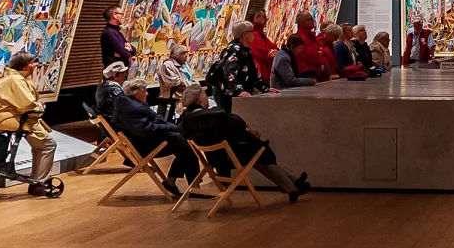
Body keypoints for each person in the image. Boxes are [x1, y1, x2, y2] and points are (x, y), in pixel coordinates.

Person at [175, 85, 311, 202]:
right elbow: (237, 123)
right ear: (199, 98)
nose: (206, 96)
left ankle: (294, 181)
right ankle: (292, 186)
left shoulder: (186, 120)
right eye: (204, 94)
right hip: (227, 157)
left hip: (215, 157)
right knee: (260, 154)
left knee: (259, 154)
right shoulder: (212, 116)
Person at [112, 79, 201, 196]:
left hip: (145, 141)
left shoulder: (129, 105)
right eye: (144, 91)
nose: (147, 93)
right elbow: (145, 129)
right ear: (135, 92)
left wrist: (170, 127)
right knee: (183, 145)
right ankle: (193, 187)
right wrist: (171, 127)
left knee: (183, 146)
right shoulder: (132, 109)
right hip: (144, 146)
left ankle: (175, 182)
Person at [0, 52, 57, 195]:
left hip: (9, 117)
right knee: (48, 144)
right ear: (25, 66)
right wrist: (40, 107)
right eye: (32, 62)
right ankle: (40, 182)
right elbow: (28, 105)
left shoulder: (15, 78)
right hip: (14, 119)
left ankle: (37, 180)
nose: (35, 65)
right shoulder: (16, 80)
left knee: (40, 145)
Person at [206, 21, 265, 102]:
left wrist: (265, 87)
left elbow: (253, 72)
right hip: (227, 96)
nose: (254, 34)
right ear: (244, 34)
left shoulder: (246, 50)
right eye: (252, 32)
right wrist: (238, 90)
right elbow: (230, 72)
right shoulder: (233, 50)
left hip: (237, 94)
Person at [153, 43, 192, 120]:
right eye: (183, 53)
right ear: (176, 55)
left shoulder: (184, 64)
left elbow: (190, 77)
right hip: (169, 98)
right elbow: (174, 82)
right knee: (164, 121)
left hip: (183, 96)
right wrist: (191, 84)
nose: (186, 55)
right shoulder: (168, 64)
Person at [294, 13, 334, 81]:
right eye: (309, 19)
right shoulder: (301, 38)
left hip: (314, 75)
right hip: (307, 75)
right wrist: (321, 55)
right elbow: (313, 56)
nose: (313, 21)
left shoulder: (310, 36)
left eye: (312, 18)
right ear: (301, 22)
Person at [248, 9, 278, 88]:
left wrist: (276, 52)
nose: (266, 20)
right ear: (256, 18)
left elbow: (275, 49)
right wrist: (275, 52)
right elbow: (267, 54)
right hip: (262, 76)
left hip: (267, 74)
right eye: (264, 17)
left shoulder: (261, 35)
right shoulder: (253, 36)